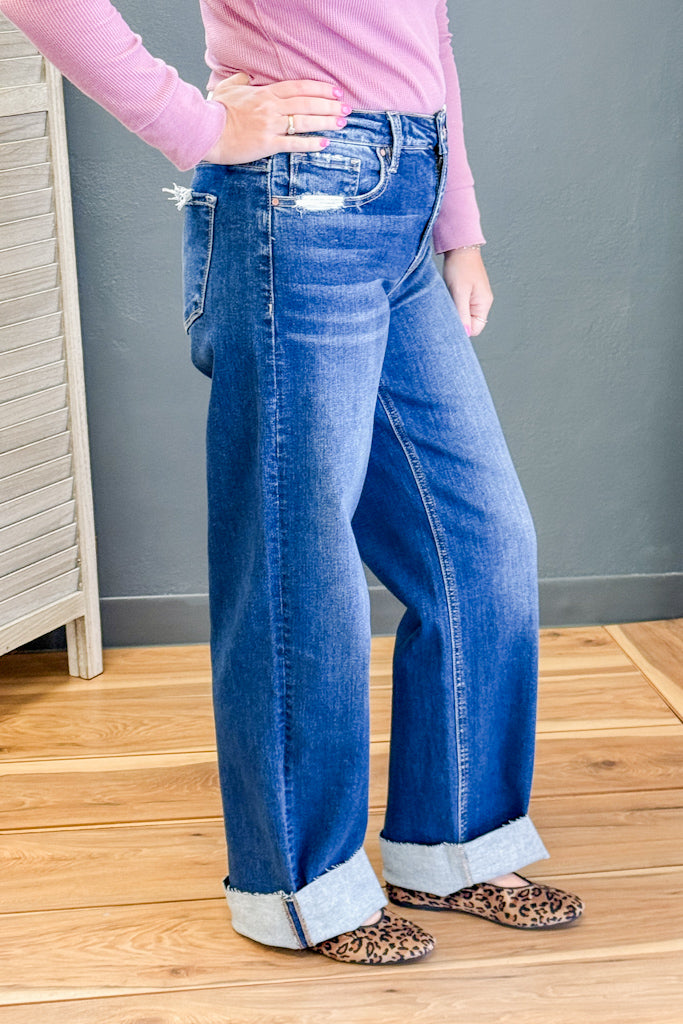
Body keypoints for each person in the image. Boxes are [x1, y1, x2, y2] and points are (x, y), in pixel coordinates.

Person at [1, 0, 584, 965]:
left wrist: (456, 223)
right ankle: (302, 888)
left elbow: (426, 28)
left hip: (406, 195)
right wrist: (196, 128)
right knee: (296, 565)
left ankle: (453, 849)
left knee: (480, 547)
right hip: (301, 206)